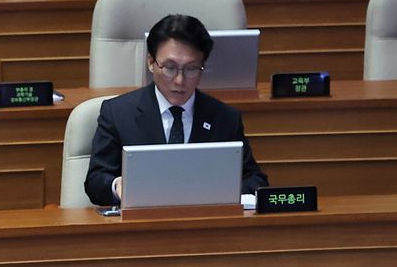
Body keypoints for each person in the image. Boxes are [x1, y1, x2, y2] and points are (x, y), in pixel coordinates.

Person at [84, 14, 268, 206]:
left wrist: (216, 190)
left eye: (191, 69)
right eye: (170, 68)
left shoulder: (225, 118)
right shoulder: (118, 113)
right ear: (151, 62)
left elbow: (255, 181)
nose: (179, 80)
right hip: (141, 226)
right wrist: (117, 185)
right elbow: (96, 181)